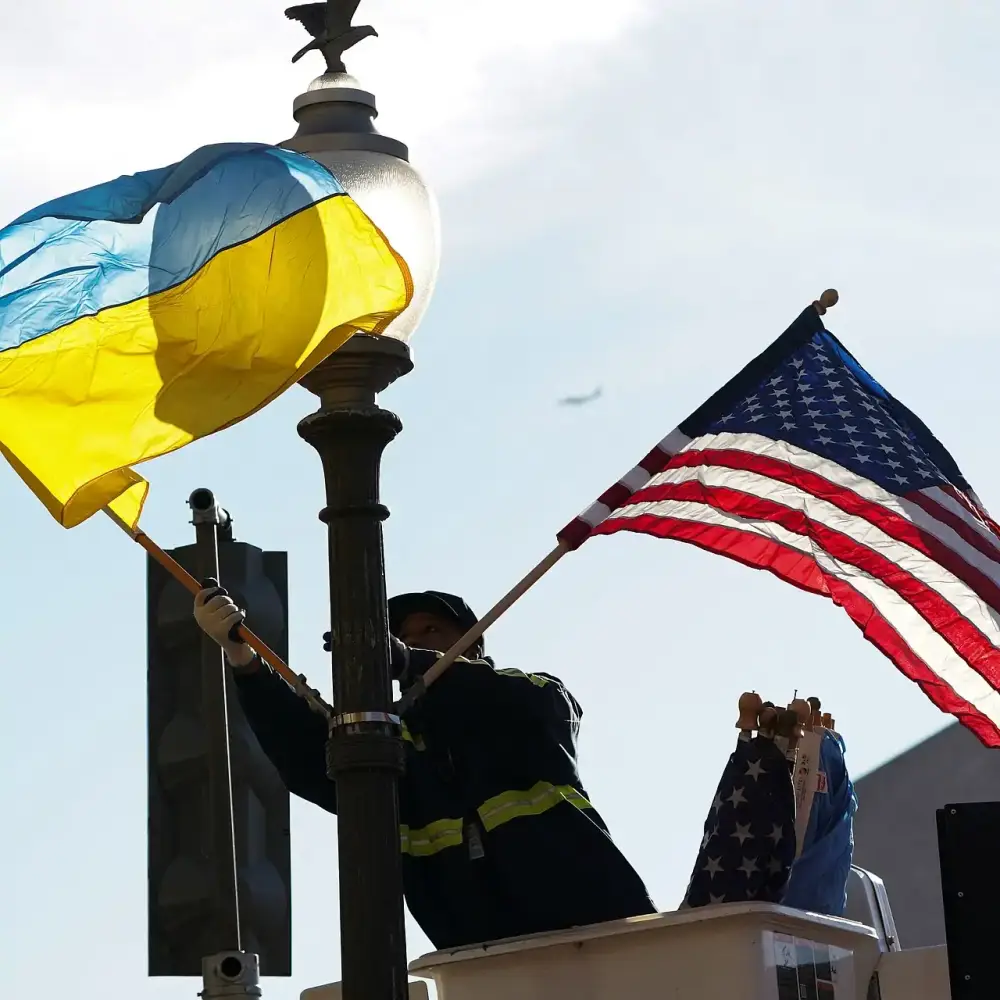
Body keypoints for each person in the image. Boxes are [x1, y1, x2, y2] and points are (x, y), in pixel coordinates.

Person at [194, 585, 656, 949]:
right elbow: (308, 758)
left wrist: (408, 660)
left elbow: (532, 702)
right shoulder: (388, 747)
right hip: (479, 956)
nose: (412, 642)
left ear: (472, 644)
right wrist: (245, 662)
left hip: (604, 932)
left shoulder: (528, 696)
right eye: (401, 636)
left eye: (430, 631)